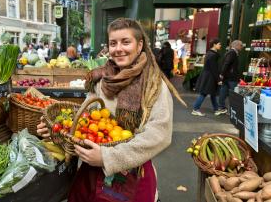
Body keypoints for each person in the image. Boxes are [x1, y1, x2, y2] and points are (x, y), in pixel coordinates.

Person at [37, 18, 185, 202]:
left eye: (126, 42)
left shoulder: (153, 84)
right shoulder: (102, 79)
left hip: (132, 172)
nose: (118, 48)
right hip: (91, 171)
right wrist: (55, 130)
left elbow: (159, 134)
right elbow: (86, 119)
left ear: (139, 46)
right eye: (113, 43)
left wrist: (108, 157)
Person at [191, 39, 221, 116]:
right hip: (209, 77)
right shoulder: (213, 55)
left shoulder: (209, 53)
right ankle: (195, 109)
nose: (220, 45)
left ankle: (216, 109)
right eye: (219, 44)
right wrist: (218, 79)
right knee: (204, 93)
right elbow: (214, 68)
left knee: (212, 93)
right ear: (214, 44)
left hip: (207, 76)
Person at [216, 40, 244, 116]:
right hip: (232, 78)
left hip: (227, 77)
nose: (242, 47)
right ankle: (231, 110)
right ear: (236, 45)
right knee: (233, 94)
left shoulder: (229, 52)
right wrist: (222, 73)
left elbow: (226, 64)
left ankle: (221, 108)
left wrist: (222, 74)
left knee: (223, 92)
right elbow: (227, 63)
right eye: (241, 45)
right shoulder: (233, 53)